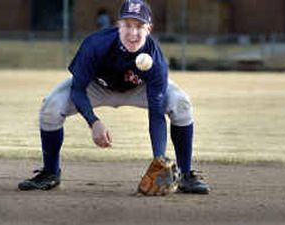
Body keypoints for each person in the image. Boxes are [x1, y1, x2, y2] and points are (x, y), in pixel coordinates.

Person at [18, 0, 210, 194]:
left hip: (139, 90)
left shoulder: (156, 60)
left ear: (149, 29)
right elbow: (77, 90)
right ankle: (50, 173)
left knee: (181, 103)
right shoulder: (96, 45)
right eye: (127, 25)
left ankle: (185, 175)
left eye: (139, 26)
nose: (132, 33)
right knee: (50, 106)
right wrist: (93, 122)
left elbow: (156, 113)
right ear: (118, 26)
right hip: (96, 86)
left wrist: (158, 160)